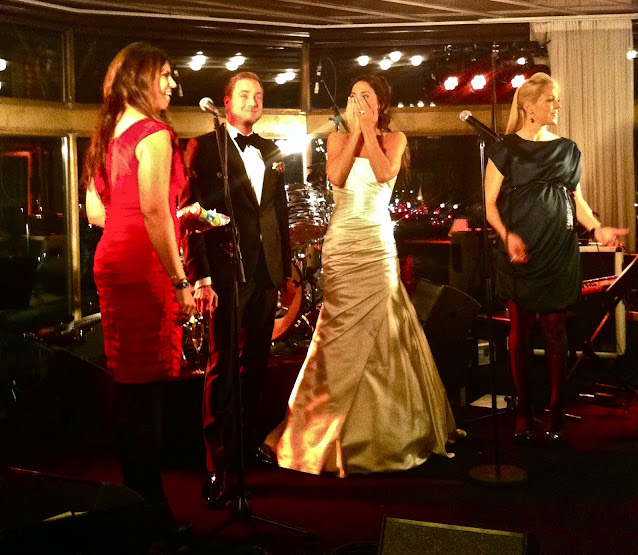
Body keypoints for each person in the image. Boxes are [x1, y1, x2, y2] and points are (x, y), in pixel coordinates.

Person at [263, 75, 462, 477]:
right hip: (342, 241)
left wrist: (370, 130)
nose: (357, 101)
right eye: (353, 95)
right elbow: (337, 177)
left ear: (381, 103)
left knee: (387, 327)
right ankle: (320, 429)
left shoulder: (396, 139)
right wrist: (355, 130)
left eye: (365, 96)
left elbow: (385, 173)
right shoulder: (337, 138)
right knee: (336, 328)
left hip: (376, 241)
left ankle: (392, 430)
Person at [84, 42, 197, 533]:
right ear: (139, 78)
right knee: (146, 393)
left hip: (112, 258)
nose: (172, 84)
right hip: (141, 265)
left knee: (131, 391)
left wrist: (138, 220)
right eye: (165, 74)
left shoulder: (108, 132)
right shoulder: (154, 133)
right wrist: (180, 280)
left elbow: (96, 212)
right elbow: (153, 210)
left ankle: (136, 506)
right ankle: (153, 514)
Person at [485, 72, 627, 443]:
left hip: (558, 249)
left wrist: (597, 229)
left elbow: (577, 200)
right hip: (521, 251)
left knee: (555, 331)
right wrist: (507, 235)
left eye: (557, 99)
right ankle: (523, 410)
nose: (557, 105)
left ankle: (556, 410)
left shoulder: (567, 149)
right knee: (520, 332)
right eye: (550, 99)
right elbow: (489, 205)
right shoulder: (505, 149)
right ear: (528, 107)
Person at [179, 72, 291, 507]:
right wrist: (201, 276)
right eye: (245, 94)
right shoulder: (204, 147)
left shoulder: (271, 149)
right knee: (222, 365)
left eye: (259, 95)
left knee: (255, 366)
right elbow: (191, 213)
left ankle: (243, 452)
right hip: (224, 272)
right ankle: (217, 464)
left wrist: (284, 270)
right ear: (226, 103)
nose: (254, 100)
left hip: (264, 271)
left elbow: (278, 213)